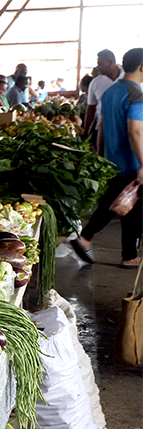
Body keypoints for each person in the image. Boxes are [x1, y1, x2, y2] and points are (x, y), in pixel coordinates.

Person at [73, 48, 143, 268]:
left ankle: (129, 254)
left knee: (128, 206)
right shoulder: (136, 95)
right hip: (131, 161)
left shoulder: (112, 92)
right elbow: (135, 132)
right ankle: (85, 238)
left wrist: (101, 157)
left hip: (113, 160)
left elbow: (101, 127)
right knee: (119, 204)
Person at [86, 50, 124, 145]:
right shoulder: (95, 83)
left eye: (101, 64)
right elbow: (91, 109)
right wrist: (86, 132)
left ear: (111, 63)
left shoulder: (128, 78)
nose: (98, 68)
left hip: (123, 131)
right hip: (101, 130)